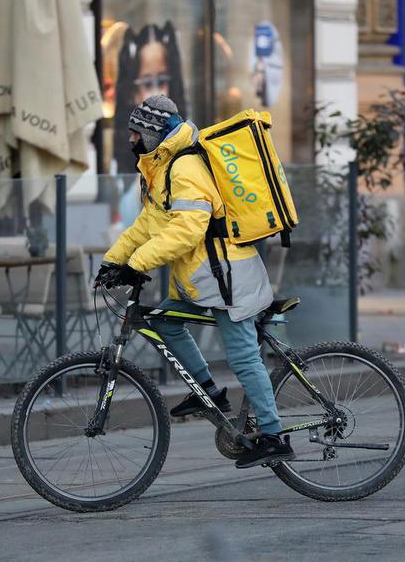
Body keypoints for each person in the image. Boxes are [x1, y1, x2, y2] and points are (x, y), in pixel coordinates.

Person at [95, 95, 295, 469]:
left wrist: (137, 264)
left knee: (243, 356)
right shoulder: (161, 169)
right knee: (164, 320)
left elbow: (187, 230)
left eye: (136, 133)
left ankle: (272, 435)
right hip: (206, 281)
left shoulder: (185, 169)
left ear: (154, 133)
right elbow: (148, 225)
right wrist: (113, 261)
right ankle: (209, 393)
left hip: (228, 279)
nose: (131, 141)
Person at [112, 22, 187, 176]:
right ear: (134, 93)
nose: (156, 92)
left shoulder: (184, 139)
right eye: (147, 84)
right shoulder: (127, 149)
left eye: (162, 81)